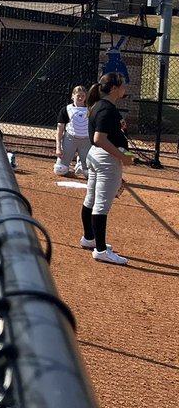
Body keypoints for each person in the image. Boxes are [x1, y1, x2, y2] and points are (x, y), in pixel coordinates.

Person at [81, 73, 134, 265]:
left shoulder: (102, 106)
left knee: (92, 199)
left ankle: (89, 239)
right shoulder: (106, 109)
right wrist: (123, 157)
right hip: (106, 159)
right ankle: (101, 250)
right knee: (101, 204)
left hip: (98, 157)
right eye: (122, 85)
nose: (125, 88)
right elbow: (99, 138)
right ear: (114, 88)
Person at [55, 85, 90, 177]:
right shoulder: (66, 109)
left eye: (83, 96)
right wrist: (58, 147)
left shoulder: (90, 109)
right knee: (59, 170)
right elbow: (60, 130)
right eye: (78, 95)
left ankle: (81, 166)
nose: (80, 98)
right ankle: (74, 166)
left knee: (90, 175)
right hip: (70, 139)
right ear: (73, 96)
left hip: (86, 141)